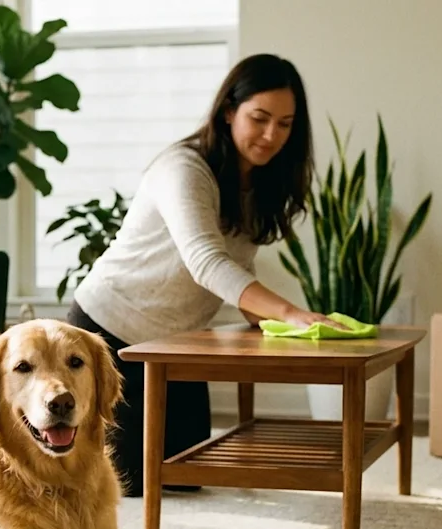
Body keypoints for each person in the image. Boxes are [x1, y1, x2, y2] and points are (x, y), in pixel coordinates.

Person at [65, 53, 344, 498]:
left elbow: (239, 261)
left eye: (286, 124)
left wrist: (268, 323)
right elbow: (206, 261)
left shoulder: (256, 184)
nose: (272, 135)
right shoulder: (183, 168)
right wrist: (291, 313)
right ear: (229, 111)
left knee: (191, 474)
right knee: (131, 483)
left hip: (175, 344)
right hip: (108, 333)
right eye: (260, 118)